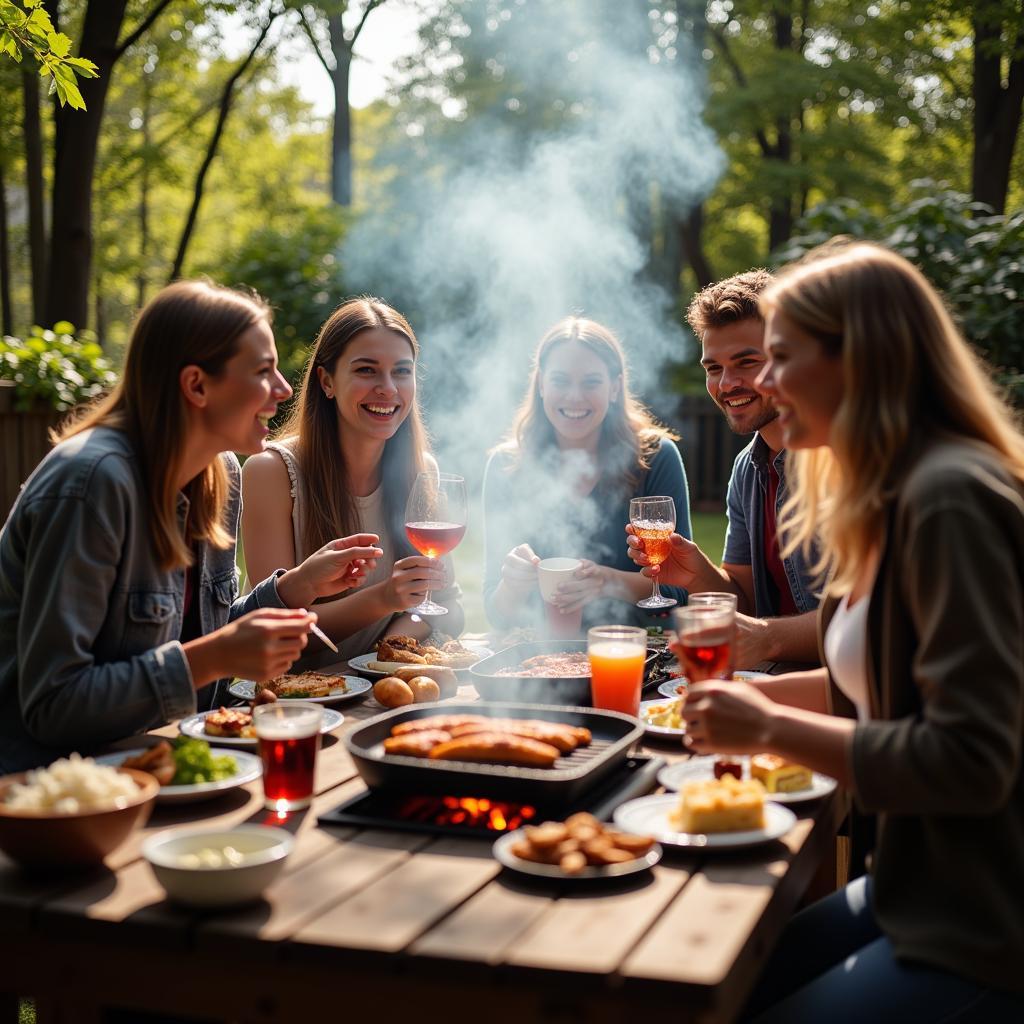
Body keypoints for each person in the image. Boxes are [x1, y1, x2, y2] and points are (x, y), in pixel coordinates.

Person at [679, 243, 1024, 1021]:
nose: (760, 384)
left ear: (858, 362)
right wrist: (723, 697)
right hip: (910, 886)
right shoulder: (883, 492)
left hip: (985, 922)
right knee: (714, 995)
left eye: (780, 359)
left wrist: (765, 723)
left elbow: (971, 760)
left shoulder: (948, 500)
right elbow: (861, 687)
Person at [0, 281, 382, 773]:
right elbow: (53, 706)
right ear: (197, 385)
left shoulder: (217, 474)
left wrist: (291, 589)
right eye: (263, 371)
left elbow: (207, 639)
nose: (285, 390)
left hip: (164, 771)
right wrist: (214, 657)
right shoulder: (90, 484)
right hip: (50, 797)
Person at [242, 297, 463, 665]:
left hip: (382, 690)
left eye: (402, 372)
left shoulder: (421, 470)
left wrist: (388, 654)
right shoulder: (271, 472)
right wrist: (383, 599)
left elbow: (447, 607)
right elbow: (274, 626)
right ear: (327, 381)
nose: (388, 388)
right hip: (295, 704)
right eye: (367, 370)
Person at [628, 270, 820, 667]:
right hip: (769, 682)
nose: (726, 383)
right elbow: (744, 600)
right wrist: (696, 574)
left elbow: (867, 622)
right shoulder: (746, 469)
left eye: (746, 362)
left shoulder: (836, 464)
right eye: (713, 368)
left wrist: (767, 640)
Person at [483, 315, 692, 632]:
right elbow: (497, 615)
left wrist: (608, 582)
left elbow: (681, 589)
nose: (575, 397)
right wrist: (512, 585)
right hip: (538, 664)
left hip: (638, 655)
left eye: (591, 382)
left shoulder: (656, 458)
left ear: (615, 387)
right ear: (541, 383)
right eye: (560, 380)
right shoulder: (505, 466)